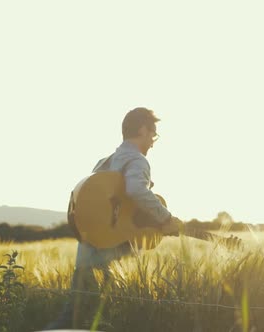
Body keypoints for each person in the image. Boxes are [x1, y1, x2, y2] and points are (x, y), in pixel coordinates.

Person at [43, 107, 181, 330]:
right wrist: (166, 218)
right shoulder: (138, 161)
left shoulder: (102, 163)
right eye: (153, 134)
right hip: (110, 257)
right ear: (143, 130)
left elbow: (93, 209)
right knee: (109, 321)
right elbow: (136, 189)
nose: (153, 142)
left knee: (70, 320)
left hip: (85, 255)